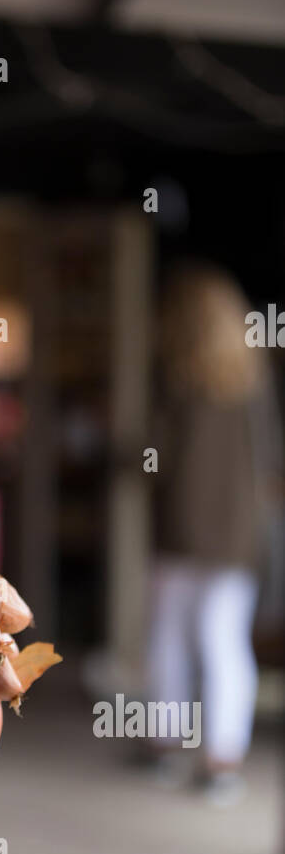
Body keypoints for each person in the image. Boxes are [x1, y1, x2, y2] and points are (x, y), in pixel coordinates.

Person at [145, 262, 283, 804]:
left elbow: (155, 456)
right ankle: (223, 758)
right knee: (223, 641)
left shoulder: (174, 378)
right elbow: (267, 458)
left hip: (178, 529)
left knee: (169, 639)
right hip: (237, 535)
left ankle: (163, 745)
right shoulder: (255, 378)